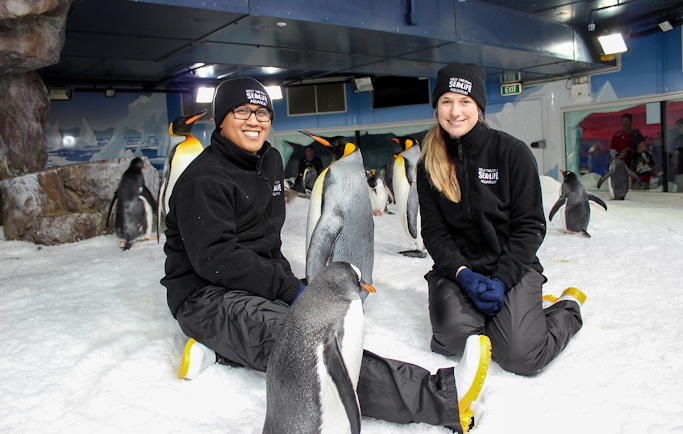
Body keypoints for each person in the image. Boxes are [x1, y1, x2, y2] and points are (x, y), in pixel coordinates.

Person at [160, 77, 491, 433]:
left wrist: (286, 286)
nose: (253, 121)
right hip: (206, 296)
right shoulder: (204, 180)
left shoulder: (267, 161)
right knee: (310, 348)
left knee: (314, 321)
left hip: (249, 285)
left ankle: (221, 347)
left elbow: (266, 241)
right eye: (241, 111)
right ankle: (440, 397)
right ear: (220, 119)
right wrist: (286, 291)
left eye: (261, 112)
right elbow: (217, 259)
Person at [416, 62, 585, 377]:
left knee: (520, 355)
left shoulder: (512, 153)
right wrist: (463, 274)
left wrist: (501, 281)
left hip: (511, 267)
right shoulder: (429, 164)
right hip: (458, 270)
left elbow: (530, 226)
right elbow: (434, 233)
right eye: (446, 101)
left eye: (465, 101)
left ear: (479, 107)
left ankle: (567, 310)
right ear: (436, 107)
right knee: (452, 338)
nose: (455, 111)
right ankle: (498, 314)